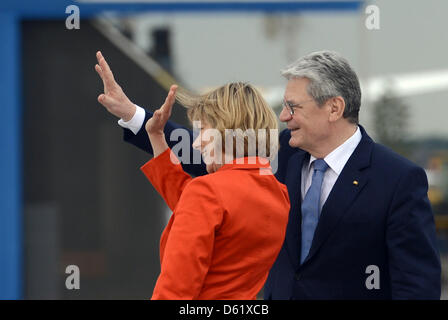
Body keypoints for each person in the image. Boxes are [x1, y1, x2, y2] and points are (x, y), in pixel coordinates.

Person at [95, 50, 441, 299]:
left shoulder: (397, 179)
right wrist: (137, 117)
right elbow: (211, 153)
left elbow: (416, 284)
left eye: (293, 107)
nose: (284, 116)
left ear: (334, 108)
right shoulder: (276, 157)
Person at [95, 52, 290, 299]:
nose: (196, 144)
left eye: (202, 130)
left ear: (224, 130)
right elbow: (200, 210)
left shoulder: (208, 193)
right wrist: (156, 138)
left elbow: (174, 290)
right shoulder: (277, 193)